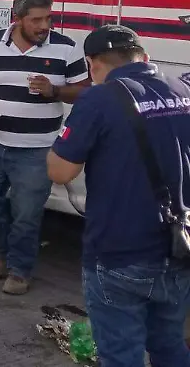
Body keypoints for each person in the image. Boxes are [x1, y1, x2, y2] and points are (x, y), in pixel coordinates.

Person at [48, 25, 190, 366]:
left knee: (121, 355)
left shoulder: (98, 99)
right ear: (144, 56)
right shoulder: (183, 88)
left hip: (119, 250)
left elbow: (61, 172)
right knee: (169, 345)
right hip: (178, 245)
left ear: (92, 63)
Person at [0, 0, 89, 295]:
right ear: (17, 19)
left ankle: (20, 270)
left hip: (38, 148)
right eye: (36, 20)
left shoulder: (66, 48)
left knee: (27, 212)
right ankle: (1, 252)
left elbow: (85, 90)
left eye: (48, 18)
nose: (44, 25)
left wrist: (55, 92)